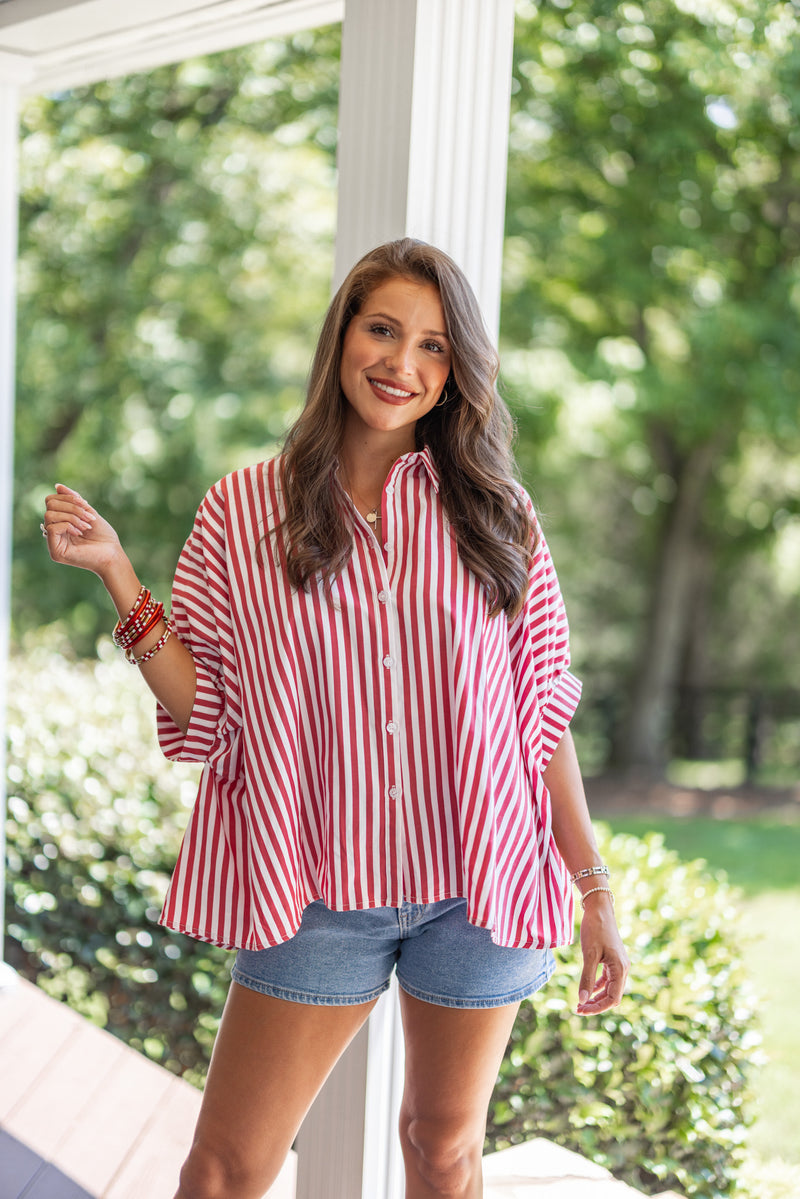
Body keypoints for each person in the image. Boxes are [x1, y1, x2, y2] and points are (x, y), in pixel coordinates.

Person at [42, 238, 628, 1199]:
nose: (403, 364)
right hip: (315, 886)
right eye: (384, 330)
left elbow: (539, 712)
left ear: (458, 371)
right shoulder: (243, 511)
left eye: (435, 346)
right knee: (227, 1168)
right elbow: (210, 712)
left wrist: (594, 886)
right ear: (342, 338)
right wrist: (118, 574)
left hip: (478, 886)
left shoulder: (498, 514)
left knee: (444, 1151)